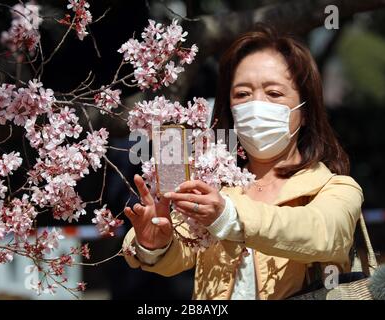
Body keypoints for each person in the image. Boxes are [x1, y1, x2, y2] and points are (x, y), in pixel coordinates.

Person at [122, 23, 363, 300]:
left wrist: (229, 216)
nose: (256, 105)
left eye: (273, 93)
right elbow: (179, 250)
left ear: (305, 110)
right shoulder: (216, 186)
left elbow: (323, 234)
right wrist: (154, 244)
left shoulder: (335, 188)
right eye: (242, 94)